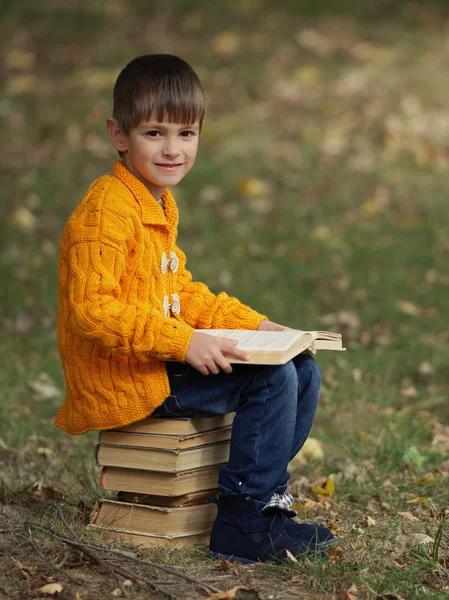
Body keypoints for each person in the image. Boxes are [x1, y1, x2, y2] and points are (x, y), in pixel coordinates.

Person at [55, 54, 334, 563]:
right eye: (155, 133)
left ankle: (258, 500)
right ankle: (243, 523)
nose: (172, 149)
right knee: (270, 381)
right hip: (129, 375)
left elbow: (180, 292)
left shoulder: (154, 202)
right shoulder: (105, 211)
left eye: (186, 134)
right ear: (120, 135)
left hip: (155, 359)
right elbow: (91, 310)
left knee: (302, 369)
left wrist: (257, 325)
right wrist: (184, 341)